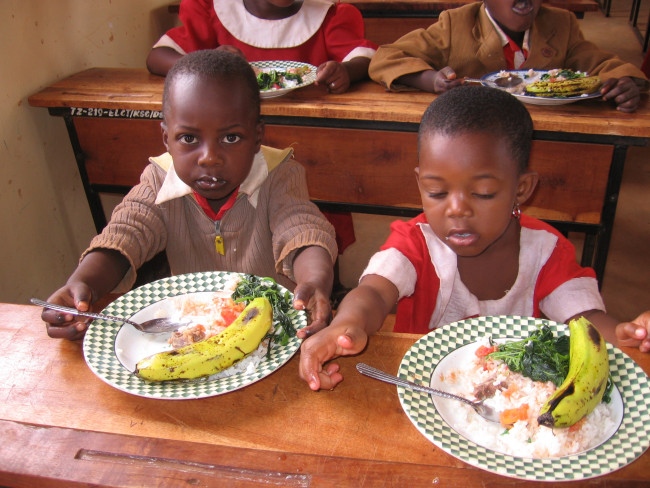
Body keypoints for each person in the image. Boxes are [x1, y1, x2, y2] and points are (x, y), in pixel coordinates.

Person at [298, 85, 650, 391]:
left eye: (482, 193)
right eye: (437, 192)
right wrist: (347, 325)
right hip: (423, 390)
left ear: (521, 189)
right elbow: (373, 291)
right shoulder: (416, 241)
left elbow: (584, 320)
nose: (456, 210)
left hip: (509, 402)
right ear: (421, 184)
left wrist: (624, 333)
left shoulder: (546, 251)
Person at [40, 50, 338, 341]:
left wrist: (314, 281)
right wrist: (83, 283)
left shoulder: (280, 175)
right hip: (196, 332)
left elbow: (302, 230)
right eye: (189, 138)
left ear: (257, 136)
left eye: (230, 138)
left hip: (276, 333)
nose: (209, 158)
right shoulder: (159, 179)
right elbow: (126, 232)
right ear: (166, 138)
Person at [368, 0, 648, 112]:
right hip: (475, 139)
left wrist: (623, 82)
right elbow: (387, 56)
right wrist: (429, 79)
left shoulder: (560, 24)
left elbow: (601, 64)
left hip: (546, 145)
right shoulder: (456, 24)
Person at [146, 0, 378, 94]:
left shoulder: (326, 15)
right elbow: (157, 57)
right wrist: (205, 63)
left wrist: (345, 71)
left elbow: (366, 57)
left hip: (307, 132)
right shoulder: (213, 10)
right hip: (228, 134)